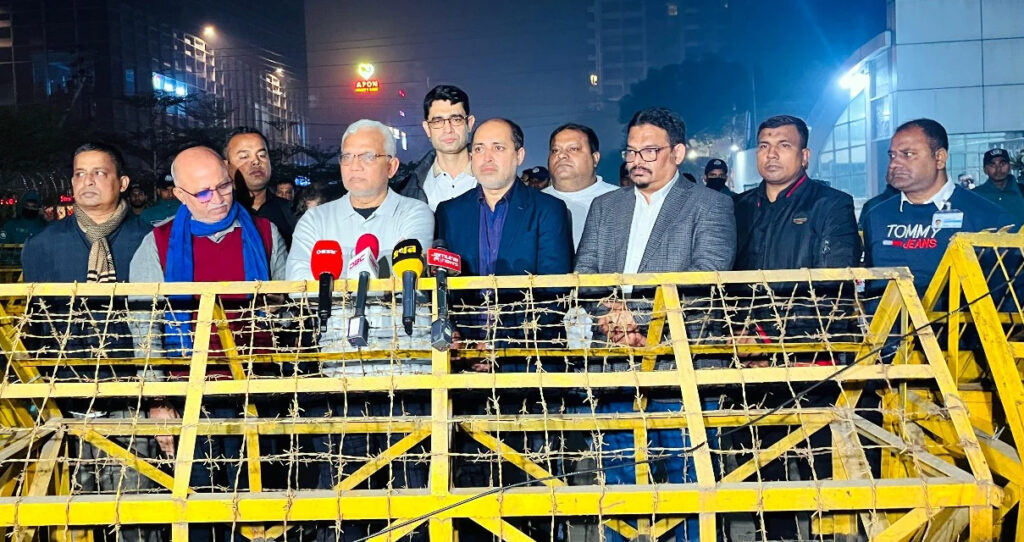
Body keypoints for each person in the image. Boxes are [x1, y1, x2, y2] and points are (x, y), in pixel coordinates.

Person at [572, 107, 735, 542]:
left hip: (680, 371)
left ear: (678, 153)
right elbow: (584, 274)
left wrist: (642, 320)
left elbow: (706, 275)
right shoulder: (605, 207)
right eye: (631, 151)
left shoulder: (711, 205)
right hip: (615, 368)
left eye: (649, 151)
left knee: (689, 488)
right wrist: (611, 318)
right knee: (619, 485)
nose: (636, 160)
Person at [285, 119, 433, 542]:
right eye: (347, 157)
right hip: (341, 373)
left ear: (392, 165)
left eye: (366, 156)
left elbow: (403, 271)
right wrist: (365, 270)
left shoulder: (415, 212)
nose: (354, 165)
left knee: (411, 494)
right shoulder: (316, 218)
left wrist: (337, 276)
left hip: (407, 371)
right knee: (344, 495)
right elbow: (298, 284)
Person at [129, 146, 287, 541]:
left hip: (259, 394)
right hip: (189, 399)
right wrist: (158, 402)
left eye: (223, 186)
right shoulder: (156, 245)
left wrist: (277, 314)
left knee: (260, 509)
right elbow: (145, 331)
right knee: (199, 508)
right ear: (180, 195)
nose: (217, 198)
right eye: (202, 192)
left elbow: (289, 319)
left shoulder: (266, 235)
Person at [21, 142, 166, 542]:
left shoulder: (151, 241)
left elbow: (163, 323)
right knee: (73, 519)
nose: (88, 181)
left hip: (132, 401)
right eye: (80, 173)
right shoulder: (43, 245)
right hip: (66, 403)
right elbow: (35, 328)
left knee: (135, 516)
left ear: (122, 182)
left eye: (99, 173)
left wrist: (160, 398)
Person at [731, 115, 861, 540]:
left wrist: (776, 341)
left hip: (811, 360)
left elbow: (833, 282)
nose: (771, 154)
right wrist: (740, 335)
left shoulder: (830, 204)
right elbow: (724, 281)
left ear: (805, 155)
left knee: (818, 464)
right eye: (764, 145)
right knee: (760, 465)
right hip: (748, 361)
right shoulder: (739, 207)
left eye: (783, 145)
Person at [435, 118, 573, 348]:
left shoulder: (549, 210)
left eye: (498, 148)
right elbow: (442, 288)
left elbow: (555, 294)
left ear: (519, 155)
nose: (487, 157)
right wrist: (462, 339)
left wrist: (498, 346)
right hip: (465, 355)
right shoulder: (449, 213)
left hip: (529, 354)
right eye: (479, 149)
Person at [862, 119, 1014, 294]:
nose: (894, 164)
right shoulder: (876, 217)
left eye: (908, 154)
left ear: (939, 158)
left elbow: (1007, 294)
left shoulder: (989, 218)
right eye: (892, 156)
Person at [394, 85, 477, 210]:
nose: (448, 129)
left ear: (469, 124)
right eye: (437, 121)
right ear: (427, 128)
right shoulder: (407, 190)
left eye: (456, 119)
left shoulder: (495, 178)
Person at [543, 123, 617, 249]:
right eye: (555, 150)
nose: (561, 155)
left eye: (573, 149)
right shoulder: (533, 204)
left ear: (595, 158)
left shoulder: (621, 201)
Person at [224, 127, 297, 247]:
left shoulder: (291, 212)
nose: (256, 161)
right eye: (244, 156)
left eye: (262, 155)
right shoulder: (219, 212)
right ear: (226, 166)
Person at [972, 148, 1024, 224]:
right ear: (985, 170)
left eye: (1002, 164)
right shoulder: (975, 195)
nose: (998, 169)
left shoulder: (1021, 191)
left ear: (1009, 167)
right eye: (992, 165)